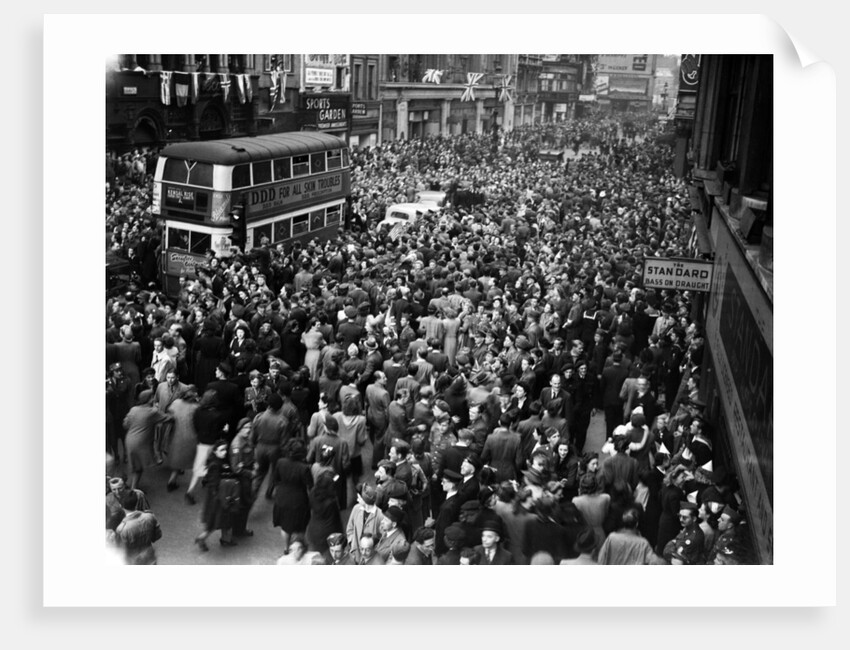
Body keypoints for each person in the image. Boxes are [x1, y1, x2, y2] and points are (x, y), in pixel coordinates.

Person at [194, 440, 239, 551]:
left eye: (225, 449)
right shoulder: (215, 465)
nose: (224, 452)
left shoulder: (220, 461)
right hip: (219, 497)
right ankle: (202, 538)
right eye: (221, 450)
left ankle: (225, 539)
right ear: (215, 451)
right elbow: (214, 484)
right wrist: (219, 498)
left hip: (221, 496)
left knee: (224, 520)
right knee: (215, 522)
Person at [123, 389, 172, 490]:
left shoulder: (134, 409)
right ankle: (134, 490)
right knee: (139, 467)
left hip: (129, 440)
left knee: (134, 465)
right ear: (149, 399)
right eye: (152, 397)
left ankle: (131, 486)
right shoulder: (152, 412)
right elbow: (167, 418)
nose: (154, 399)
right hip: (141, 443)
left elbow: (125, 425)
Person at [271, 438, 313, 554]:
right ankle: (298, 550)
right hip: (299, 501)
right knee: (300, 528)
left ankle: (286, 548)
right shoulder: (304, 468)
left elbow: (276, 479)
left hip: (282, 498)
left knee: (285, 527)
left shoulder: (280, 462)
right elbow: (310, 485)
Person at [597, 505, 665, 565]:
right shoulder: (643, 543)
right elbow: (654, 562)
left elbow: (601, 558)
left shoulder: (611, 538)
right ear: (637, 524)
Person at [164, 385, 200, 492]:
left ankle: (172, 481)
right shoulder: (196, 407)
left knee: (178, 458)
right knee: (197, 462)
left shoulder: (176, 403)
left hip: (176, 435)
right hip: (191, 436)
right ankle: (192, 489)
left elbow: (168, 413)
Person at [114, 491, 162, 565]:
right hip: (149, 556)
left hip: (132, 561)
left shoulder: (121, 529)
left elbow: (120, 550)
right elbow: (157, 536)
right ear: (136, 503)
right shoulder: (149, 516)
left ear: (120, 505)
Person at [345, 483, 385, 564]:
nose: (357, 500)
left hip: (370, 557)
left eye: (359, 498)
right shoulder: (356, 509)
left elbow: (383, 539)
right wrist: (352, 543)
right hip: (356, 555)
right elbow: (350, 528)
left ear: (365, 501)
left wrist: (373, 550)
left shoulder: (380, 516)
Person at [305, 472, 343, 555]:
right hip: (327, 533)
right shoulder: (331, 502)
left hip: (313, 529)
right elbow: (336, 521)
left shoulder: (313, 492)